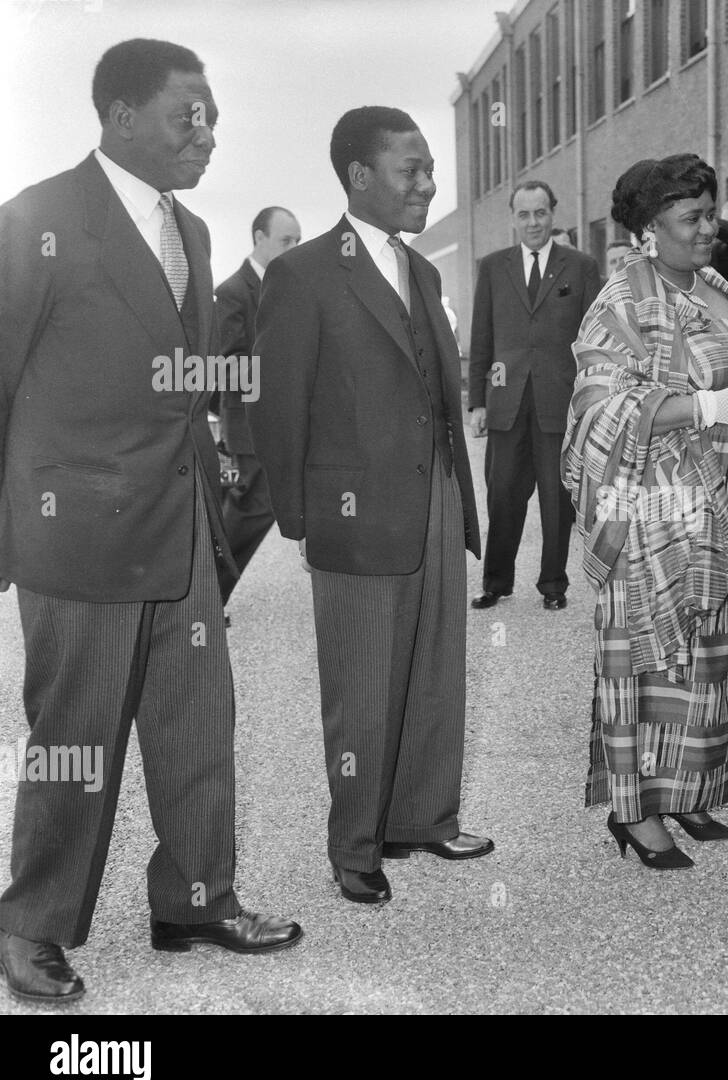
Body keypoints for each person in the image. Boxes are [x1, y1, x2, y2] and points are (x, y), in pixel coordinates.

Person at [0, 38, 302, 1004]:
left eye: (212, 116)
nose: (207, 134)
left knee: (197, 723)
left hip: (180, 531)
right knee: (75, 736)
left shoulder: (200, 233)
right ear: (122, 116)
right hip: (78, 534)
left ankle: (196, 897)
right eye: (189, 116)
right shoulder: (40, 218)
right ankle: (31, 925)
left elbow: (189, 378)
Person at [251, 106, 493, 906]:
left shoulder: (422, 271)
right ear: (360, 177)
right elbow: (278, 403)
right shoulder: (304, 273)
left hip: (435, 492)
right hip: (353, 511)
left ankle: (423, 816)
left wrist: (456, 494)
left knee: (435, 666)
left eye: (429, 170)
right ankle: (355, 843)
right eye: (411, 170)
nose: (428, 184)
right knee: (362, 683)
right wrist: (301, 516)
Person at [563, 155, 728, 869]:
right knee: (647, 661)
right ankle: (636, 814)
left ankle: (692, 789)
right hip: (656, 507)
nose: (709, 227)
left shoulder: (722, 287)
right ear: (646, 231)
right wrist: (701, 406)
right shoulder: (621, 303)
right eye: (690, 218)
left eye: (710, 211)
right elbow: (596, 407)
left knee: (712, 657)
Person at [467, 181, 601, 611]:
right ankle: (496, 582)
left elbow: (594, 339)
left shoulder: (579, 266)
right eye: (523, 215)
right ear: (513, 218)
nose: (532, 223)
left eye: (540, 213)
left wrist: (592, 400)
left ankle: (553, 585)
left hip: (558, 402)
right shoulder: (492, 267)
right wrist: (478, 402)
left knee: (556, 499)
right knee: (502, 493)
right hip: (506, 401)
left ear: (553, 214)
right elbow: (481, 335)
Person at [214, 205, 301, 606]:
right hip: (249, 428)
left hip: (281, 424)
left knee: (248, 509)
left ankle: (207, 597)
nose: (293, 248)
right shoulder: (233, 291)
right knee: (251, 510)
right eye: (286, 241)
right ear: (259, 238)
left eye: (297, 241)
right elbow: (227, 366)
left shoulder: (287, 286)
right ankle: (208, 599)